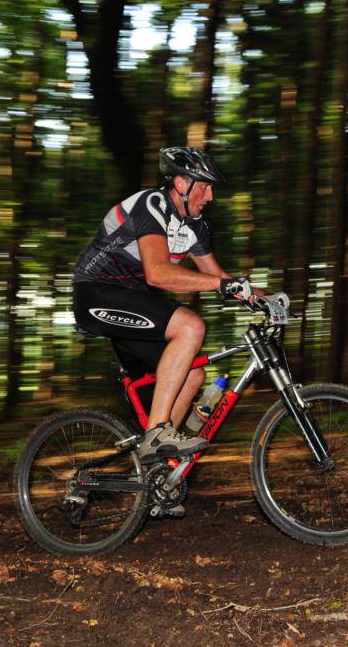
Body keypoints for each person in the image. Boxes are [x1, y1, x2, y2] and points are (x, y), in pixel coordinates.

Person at [71, 147, 257, 463]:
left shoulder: (195, 226)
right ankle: (158, 433)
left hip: (132, 299)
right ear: (181, 183)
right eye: (205, 186)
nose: (210, 196)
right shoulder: (152, 205)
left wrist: (263, 298)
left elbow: (221, 279)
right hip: (96, 293)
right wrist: (220, 285)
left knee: (193, 375)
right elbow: (157, 274)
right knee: (191, 326)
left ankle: (157, 468)